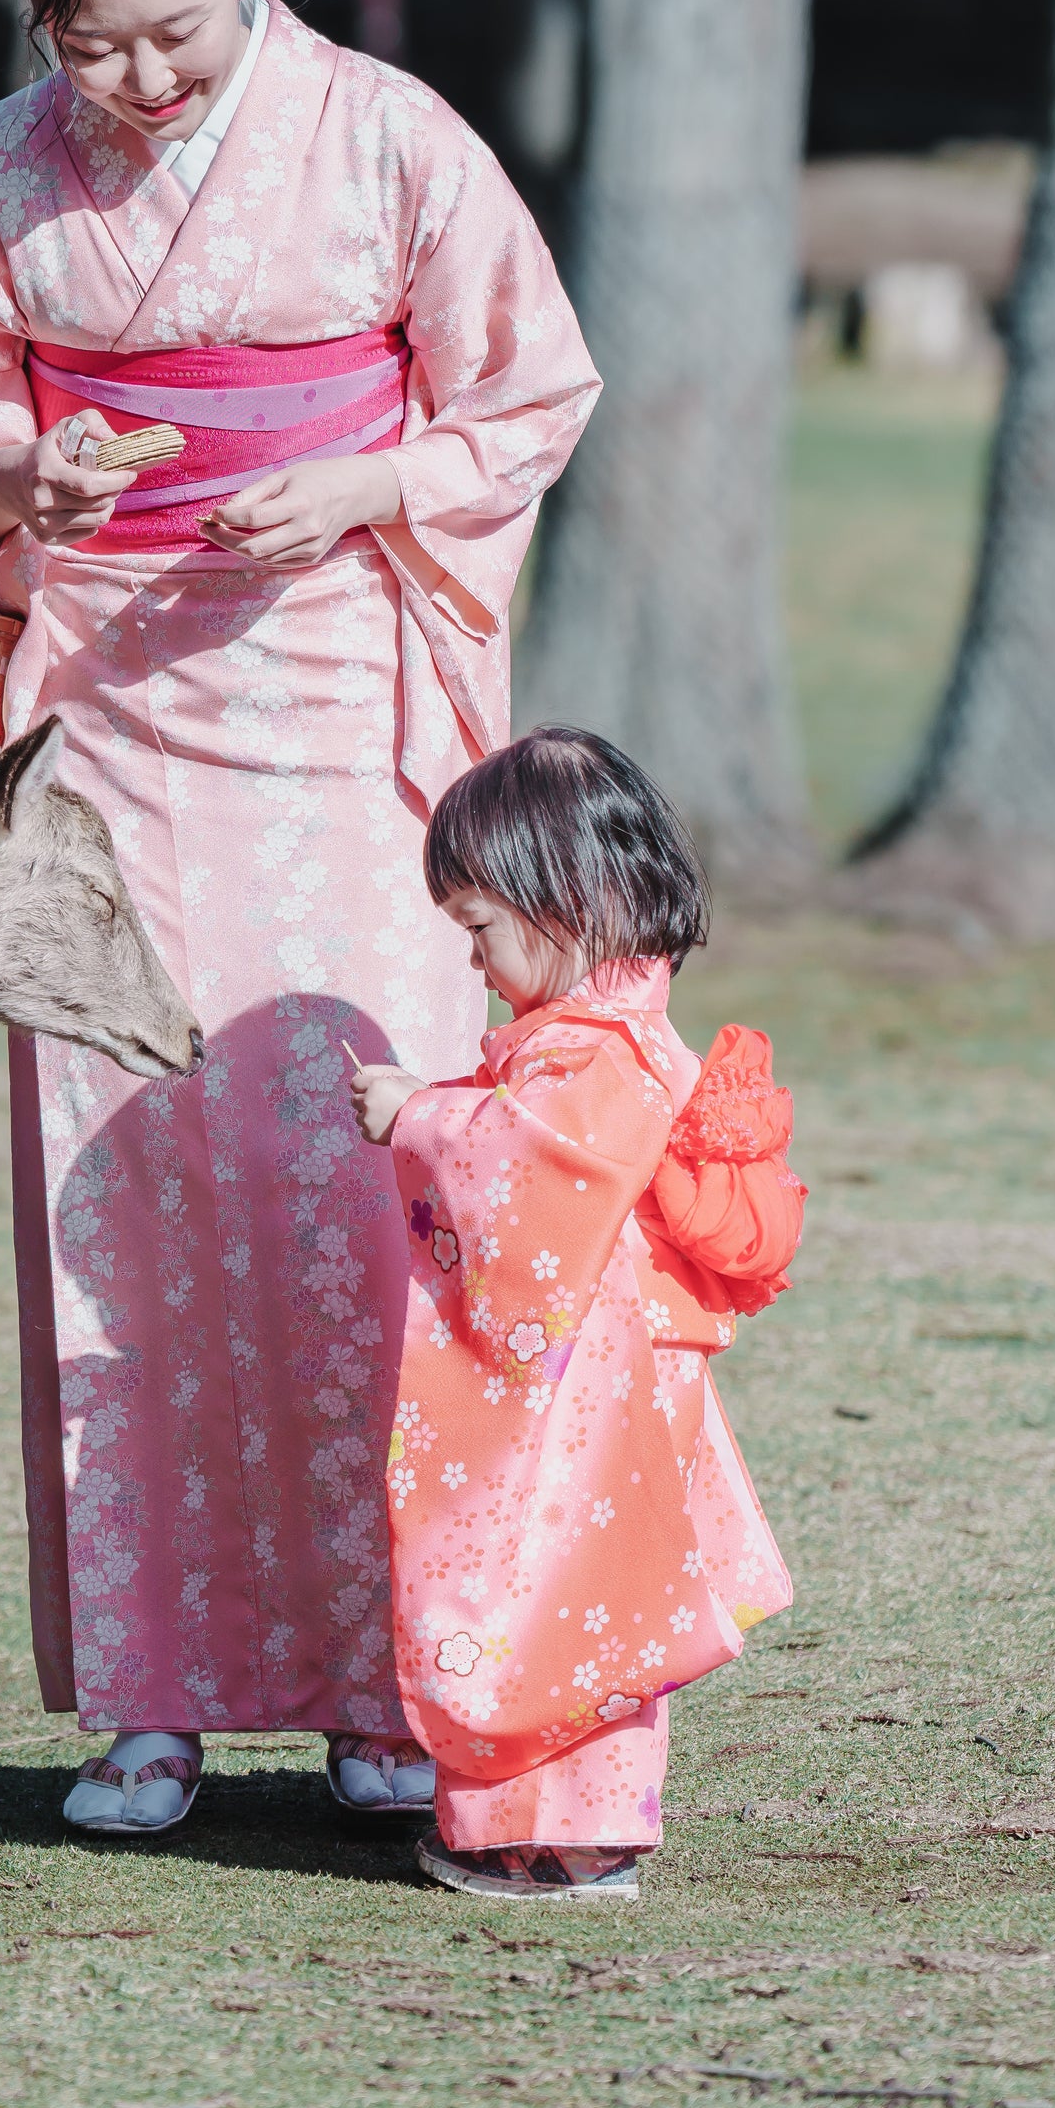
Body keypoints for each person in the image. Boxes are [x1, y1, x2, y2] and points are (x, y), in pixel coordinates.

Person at [0, 0, 603, 1837]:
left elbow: (525, 392)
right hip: (102, 708)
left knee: (367, 1181)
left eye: (170, 31)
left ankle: (385, 1678)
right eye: (84, 43)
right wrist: (28, 484)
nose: (134, 81)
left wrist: (361, 486)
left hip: (332, 696)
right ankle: (146, 1692)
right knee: (129, 1193)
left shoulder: (379, 135)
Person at [345, 728, 803, 1900]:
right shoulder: (607, 1035)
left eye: (478, 928)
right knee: (584, 1597)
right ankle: (566, 1830)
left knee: (542, 1593)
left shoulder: (592, 1053)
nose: (473, 963)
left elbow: (531, 1173)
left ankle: (539, 1838)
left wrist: (415, 1119)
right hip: (610, 1392)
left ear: (568, 897)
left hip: (582, 1406)